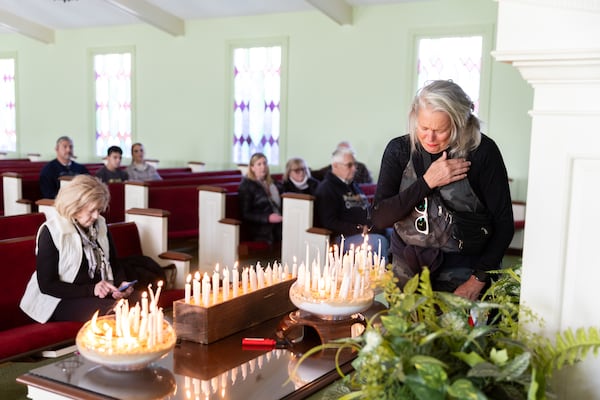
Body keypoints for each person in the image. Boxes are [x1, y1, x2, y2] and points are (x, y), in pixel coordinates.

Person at [372, 80, 514, 300]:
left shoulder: (482, 153)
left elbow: (504, 225)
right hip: (406, 272)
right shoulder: (399, 150)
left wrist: (477, 280)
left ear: (459, 124)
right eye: (423, 128)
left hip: (464, 274)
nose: (429, 138)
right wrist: (427, 182)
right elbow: (380, 218)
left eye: (440, 130)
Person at [20, 175, 136, 323]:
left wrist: (121, 284)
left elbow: (113, 262)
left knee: (140, 303)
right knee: (116, 312)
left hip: (95, 294)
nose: (96, 216)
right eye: (92, 210)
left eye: (99, 210)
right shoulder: (52, 231)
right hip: (58, 300)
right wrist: (92, 289)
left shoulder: (100, 224)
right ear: (75, 206)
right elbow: (47, 285)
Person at [315, 146, 389, 259]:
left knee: (396, 235)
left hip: (366, 231)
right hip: (343, 237)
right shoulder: (327, 188)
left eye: (355, 165)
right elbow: (329, 222)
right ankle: (381, 276)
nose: (354, 168)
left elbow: (365, 208)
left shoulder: (352, 185)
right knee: (379, 242)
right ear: (335, 165)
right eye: (349, 165)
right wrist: (359, 229)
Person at [238, 153, 283, 244]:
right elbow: (246, 214)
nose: (263, 167)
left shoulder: (273, 183)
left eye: (265, 163)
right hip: (260, 227)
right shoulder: (246, 185)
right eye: (259, 164)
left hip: (278, 221)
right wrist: (267, 218)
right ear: (252, 167)